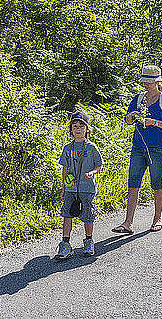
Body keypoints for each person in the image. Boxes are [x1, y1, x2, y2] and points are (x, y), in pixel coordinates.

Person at [112, 65, 162, 234]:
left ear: (157, 82)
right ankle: (128, 223)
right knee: (133, 184)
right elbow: (127, 119)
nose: (146, 85)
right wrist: (132, 117)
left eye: (149, 82)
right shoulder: (138, 98)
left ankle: (157, 219)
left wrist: (152, 121)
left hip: (158, 149)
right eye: (144, 82)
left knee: (156, 184)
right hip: (138, 147)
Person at [55, 110, 104, 260]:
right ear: (70, 130)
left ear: (87, 129)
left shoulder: (91, 147)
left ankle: (88, 241)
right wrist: (63, 187)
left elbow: (99, 165)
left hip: (87, 188)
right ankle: (65, 245)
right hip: (70, 188)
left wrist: (92, 173)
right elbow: (64, 169)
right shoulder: (67, 148)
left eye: (81, 126)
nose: (77, 129)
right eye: (74, 126)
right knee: (67, 214)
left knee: (88, 214)